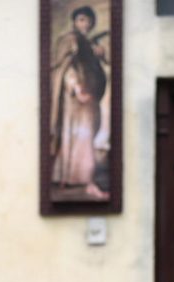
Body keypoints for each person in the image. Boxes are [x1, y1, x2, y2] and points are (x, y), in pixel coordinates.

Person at [49, 5, 110, 200]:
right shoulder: (70, 40)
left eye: (88, 20)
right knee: (77, 137)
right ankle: (87, 182)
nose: (86, 23)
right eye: (81, 19)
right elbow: (65, 68)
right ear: (75, 22)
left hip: (90, 97)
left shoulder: (89, 44)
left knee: (83, 137)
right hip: (77, 97)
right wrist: (76, 88)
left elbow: (97, 67)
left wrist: (100, 55)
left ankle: (70, 177)